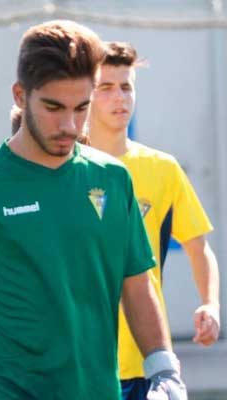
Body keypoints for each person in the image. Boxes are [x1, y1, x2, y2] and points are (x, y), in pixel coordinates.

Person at [0, 20, 187, 400]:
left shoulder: (113, 180)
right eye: (54, 107)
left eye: (81, 108)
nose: (70, 125)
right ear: (20, 95)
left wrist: (165, 370)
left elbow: (137, 284)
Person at [89, 41, 220, 399]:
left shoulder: (162, 169)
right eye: (106, 88)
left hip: (147, 360)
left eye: (127, 87)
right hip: (81, 360)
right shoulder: (65, 167)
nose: (120, 97)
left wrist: (210, 302)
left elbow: (198, 246)